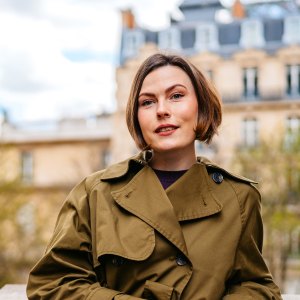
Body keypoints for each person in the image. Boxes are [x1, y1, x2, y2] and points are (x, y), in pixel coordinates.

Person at [27, 53, 282, 299]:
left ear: (201, 107)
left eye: (176, 96)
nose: (161, 110)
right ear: (137, 118)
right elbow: (53, 283)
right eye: (147, 102)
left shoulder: (238, 198)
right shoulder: (96, 193)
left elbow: (256, 285)